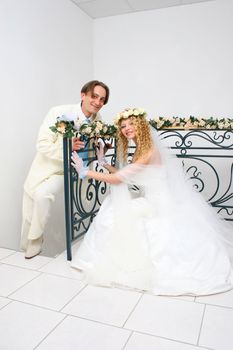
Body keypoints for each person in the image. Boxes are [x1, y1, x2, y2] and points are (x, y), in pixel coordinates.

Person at [70, 107, 233, 296]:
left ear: (141, 125)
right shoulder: (141, 147)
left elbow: (119, 179)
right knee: (112, 208)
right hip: (150, 199)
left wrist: (85, 172)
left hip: (158, 204)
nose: (127, 128)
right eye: (123, 126)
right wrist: (104, 162)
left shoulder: (149, 151)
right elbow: (130, 177)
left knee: (112, 212)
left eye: (131, 124)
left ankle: (111, 261)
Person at [20, 80, 110, 259]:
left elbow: (94, 145)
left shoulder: (98, 120)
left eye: (102, 99)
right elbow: (42, 144)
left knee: (42, 195)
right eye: (94, 96)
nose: (98, 102)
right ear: (83, 95)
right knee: (34, 197)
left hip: (74, 170)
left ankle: (36, 240)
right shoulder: (59, 112)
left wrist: (102, 147)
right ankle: (30, 242)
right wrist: (68, 146)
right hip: (50, 167)